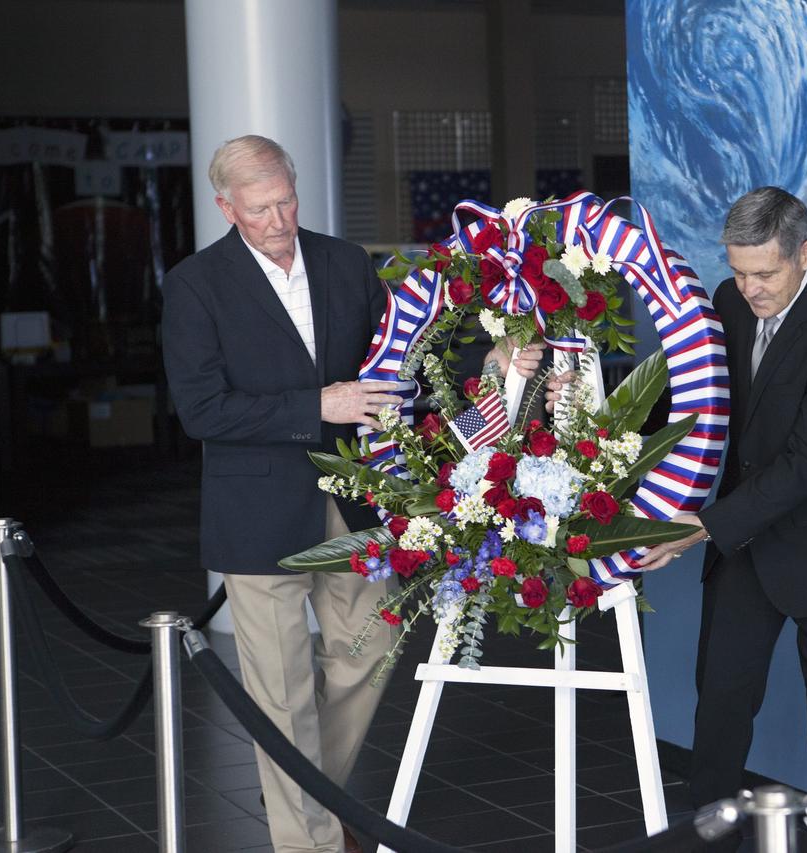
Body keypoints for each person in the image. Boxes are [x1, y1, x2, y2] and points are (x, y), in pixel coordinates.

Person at [161, 135, 542, 853]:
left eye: (287, 199)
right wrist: (319, 404)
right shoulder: (194, 285)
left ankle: (317, 798)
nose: (278, 217)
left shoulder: (342, 261)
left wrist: (487, 357)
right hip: (258, 515)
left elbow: (403, 354)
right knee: (279, 691)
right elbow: (202, 411)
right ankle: (311, 841)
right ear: (225, 207)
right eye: (261, 207)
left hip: (360, 499)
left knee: (372, 648)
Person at [632, 187, 807, 852]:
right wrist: (616, 437)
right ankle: (708, 845)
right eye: (739, 270)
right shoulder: (726, 301)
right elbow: (694, 405)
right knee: (717, 710)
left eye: (764, 273)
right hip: (746, 543)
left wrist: (699, 525)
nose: (748, 288)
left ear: (805, 253)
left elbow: (806, 464)